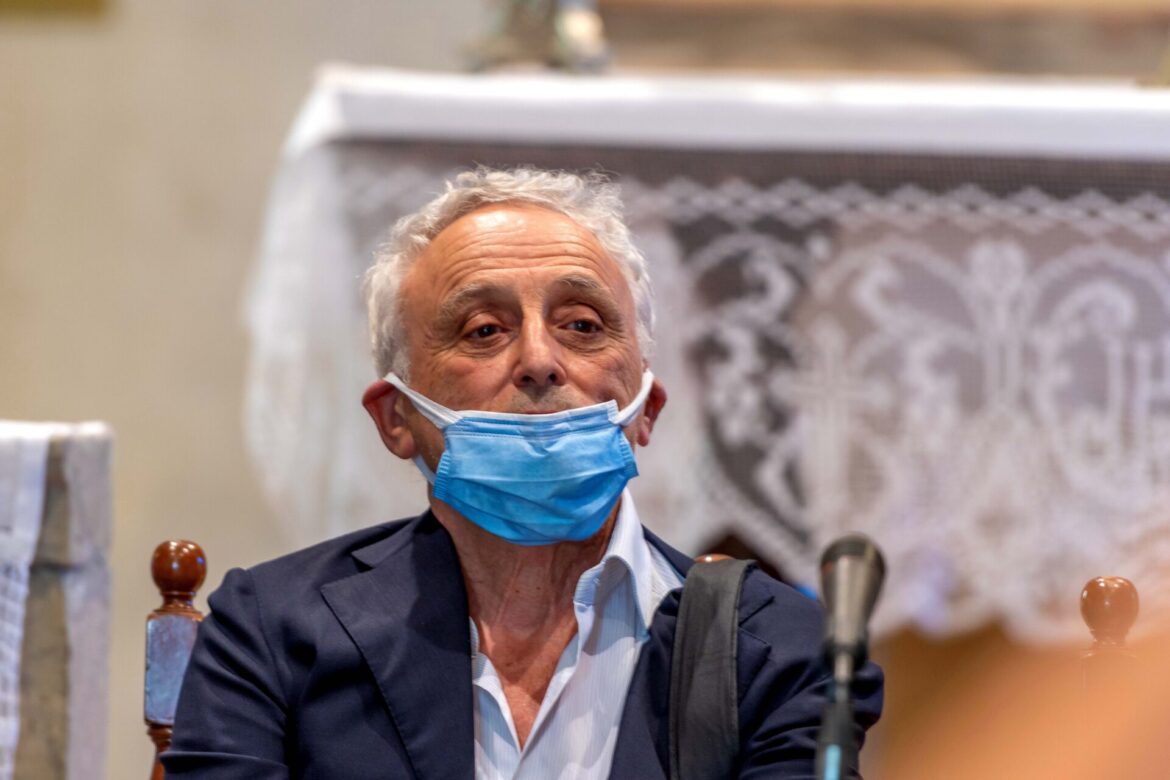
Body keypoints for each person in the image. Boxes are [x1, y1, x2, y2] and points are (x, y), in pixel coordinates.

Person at [163, 167, 883, 779]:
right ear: (396, 418)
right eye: (484, 330)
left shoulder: (777, 647)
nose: (540, 360)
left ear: (646, 410)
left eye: (582, 325)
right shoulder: (273, 631)